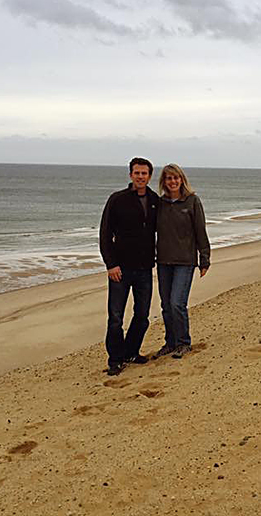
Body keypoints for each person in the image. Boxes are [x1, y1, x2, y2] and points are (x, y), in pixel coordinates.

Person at [99, 157, 159, 376]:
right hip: (120, 270)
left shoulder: (155, 200)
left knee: (142, 315)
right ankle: (115, 359)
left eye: (144, 173)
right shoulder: (117, 199)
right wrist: (111, 264)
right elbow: (105, 233)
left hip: (144, 268)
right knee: (115, 317)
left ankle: (131, 352)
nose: (140, 176)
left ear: (150, 176)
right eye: (137, 173)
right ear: (130, 175)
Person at [155, 163, 210, 359]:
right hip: (163, 261)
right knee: (166, 305)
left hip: (185, 261)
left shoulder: (192, 201)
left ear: (182, 179)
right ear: (164, 181)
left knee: (177, 302)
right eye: (169, 178)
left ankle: (183, 343)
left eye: (176, 178)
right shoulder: (159, 204)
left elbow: (200, 231)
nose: (172, 181)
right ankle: (170, 343)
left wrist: (204, 259)